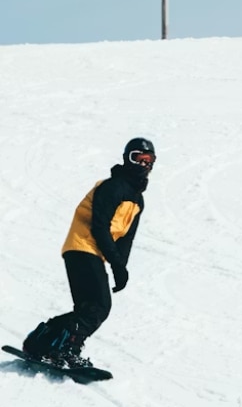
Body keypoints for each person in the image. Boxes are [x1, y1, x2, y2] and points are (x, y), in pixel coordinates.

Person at [21, 137, 156, 368]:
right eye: (137, 158)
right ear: (127, 159)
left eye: (148, 160)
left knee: (88, 309)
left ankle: (42, 342)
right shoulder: (112, 186)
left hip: (89, 251)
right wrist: (115, 264)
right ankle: (68, 350)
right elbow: (99, 227)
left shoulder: (137, 199)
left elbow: (126, 238)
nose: (143, 165)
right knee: (99, 307)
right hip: (83, 246)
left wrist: (121, 268)